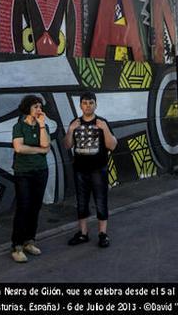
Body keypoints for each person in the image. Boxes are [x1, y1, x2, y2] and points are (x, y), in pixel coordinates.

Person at [63, 91, 117, 248]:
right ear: (80, 105)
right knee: (81, 202)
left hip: (98, 169)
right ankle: (83, 233)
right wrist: (71, 130)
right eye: (85, 103)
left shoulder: (102, 122)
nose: (88, 106)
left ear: (95, 104)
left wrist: (105, 129)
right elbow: (67, 145)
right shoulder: (75, 123)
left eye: (91, 103)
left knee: (101, 201)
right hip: (80, 170)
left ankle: (102, 234)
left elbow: (112, 145)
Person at [10, 95, 51, 262]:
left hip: (40, 171)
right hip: (23, 173)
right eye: (35, 107)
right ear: (28, 108)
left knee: (35, 207)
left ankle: (29, 241)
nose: (39, 110)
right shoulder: (19, 126)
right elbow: (19, 148)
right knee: (23, 207)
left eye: (40, 107)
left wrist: (41, 125)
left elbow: (46, 146)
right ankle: (17, 246)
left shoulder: (44, 126)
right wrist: (39, 150)